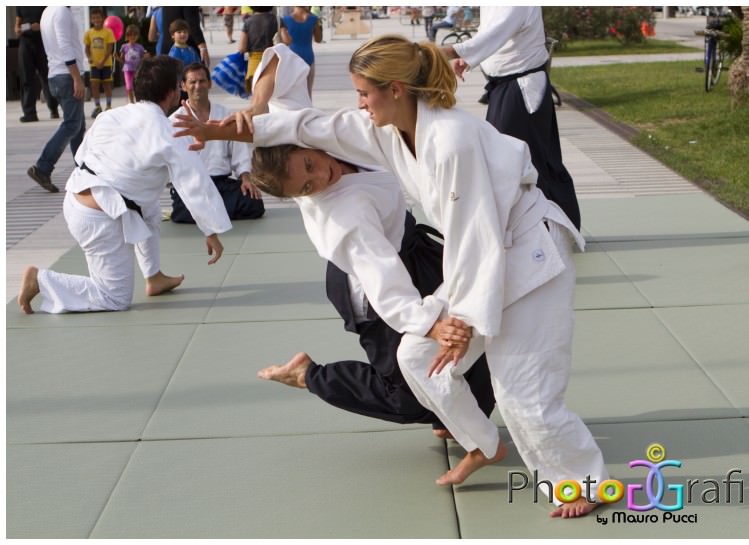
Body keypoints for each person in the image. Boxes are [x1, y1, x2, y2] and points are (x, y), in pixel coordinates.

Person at [173, 34, 607, 519]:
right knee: (416, 355)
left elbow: (474, 237)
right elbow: (318, 124)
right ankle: (483, 443)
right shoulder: (389, 131)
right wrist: (232, 133)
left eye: (363, 93)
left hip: (529, 255)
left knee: (522, 391)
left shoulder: (449, 140)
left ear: (396, 89)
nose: (358, 103)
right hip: (489, 257)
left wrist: (459, 322)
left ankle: (580, 482)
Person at [236, 44, 495, 430]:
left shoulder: (308, 132)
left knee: (473, 329)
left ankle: (458, 416)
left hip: (412, 247)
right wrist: (426, 323)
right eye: (307, 186)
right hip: (365, 284)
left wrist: (257, 108)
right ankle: (309, 375)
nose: (321, 177)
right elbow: (382, 280)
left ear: (304, 144)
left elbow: (282, 61)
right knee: (407, 395)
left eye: (312, 164)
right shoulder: (345, 216)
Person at [17, 56, 231, 315]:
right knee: (114, 297)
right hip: (101, 219)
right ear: (172, 92)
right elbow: (193, 181)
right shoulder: (169, 132)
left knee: (149, 204)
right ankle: (40, 281)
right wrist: (211, 230)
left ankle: (153, 276)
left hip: (78, 199)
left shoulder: (111, 116)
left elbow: (85, 155)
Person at [442, 6, 581, 229]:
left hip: (521, 87)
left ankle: (554, 226)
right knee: (514, 159)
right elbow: (489, 33)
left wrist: (445, 52)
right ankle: (541, 226)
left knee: (526, 160)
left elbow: (495, 33)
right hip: (506, 86)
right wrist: (470, 58)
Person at [168, 63, 264, 223]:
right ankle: (215, 212)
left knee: (254, 204)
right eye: (192, 82)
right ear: (183, 86)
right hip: (192, 186)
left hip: (221, 183)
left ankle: (210, 213)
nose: (198, 86)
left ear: (209, 83)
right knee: (182, 212)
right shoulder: (175, 121)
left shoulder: (225, 115)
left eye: (202, 81)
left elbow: (240, 155)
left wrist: (246, 179)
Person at [27, 6, 86, 194]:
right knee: (72, 125)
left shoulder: (48, 11)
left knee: (78, 126)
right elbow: (64, 45)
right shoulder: (61, 11)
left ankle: (82, 172)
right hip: (66, 75)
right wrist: (76, 77)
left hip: (57, 74)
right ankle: (43, 167)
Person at [15, 6, 60, 123]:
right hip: (25, 43)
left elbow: (51, 22)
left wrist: (40, 26)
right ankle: (29, 113)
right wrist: (18, 29)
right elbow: (17, 24)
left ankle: (54, 109)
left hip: (42, 42)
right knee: (26, 78)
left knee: (47, 77)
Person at [279, 6, 322, 96]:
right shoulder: (313, 19)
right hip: (309, 58)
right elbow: (318, 39)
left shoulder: (285, 20)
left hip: (292, 59)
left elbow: (285, 41)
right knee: (308, 92)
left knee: (292, 93)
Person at [84, 7, 116, 118]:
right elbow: (87, 48)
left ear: (102, 18)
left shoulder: (108, 32)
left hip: (106, 63)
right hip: (94, 65)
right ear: (91, 20)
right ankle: (97, 106)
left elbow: (110, 47)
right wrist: (89, 58)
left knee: (107, 85)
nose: (96, 20)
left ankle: (108, 105)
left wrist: (103, 60)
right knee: (94, 85)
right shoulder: (89, 33)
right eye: (94, 18)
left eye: (98, 17)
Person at [239, 6, 278, 94]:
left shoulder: (248, 22)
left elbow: (242, 48)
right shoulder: (277, 20)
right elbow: (286, 40)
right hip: (272, 61)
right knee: (271, 95)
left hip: (254, 63)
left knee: (257, 95)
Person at [119, 24, 149, 104]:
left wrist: (145, 57)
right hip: (127, 69)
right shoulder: (124, 47)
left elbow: (144, 57)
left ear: (137, 36)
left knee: (137, 87)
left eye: (134, 35)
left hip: (137, 70)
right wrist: (117, 57)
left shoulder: (140, 47)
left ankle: (138, 101)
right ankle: (132, 102)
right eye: (130, 35)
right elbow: (122, 60)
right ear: (127, 36)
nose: (132, 37)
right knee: (129, 87)